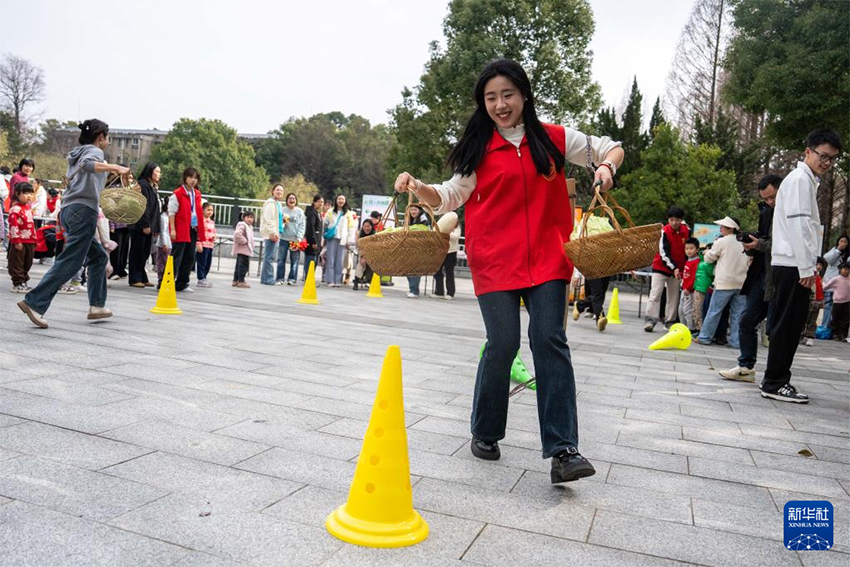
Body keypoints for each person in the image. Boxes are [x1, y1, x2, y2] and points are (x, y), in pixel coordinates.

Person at [393, 58, 624, 483]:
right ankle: (485, 429)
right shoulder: (478, 149)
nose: (500, 105)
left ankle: (563, 450)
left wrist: (606, 167)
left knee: (548, 339)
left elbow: (610, 146)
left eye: (508, 95)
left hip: (550, 261)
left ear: (524, 95)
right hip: (496, 261)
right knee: (503, 343)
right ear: (483, 104)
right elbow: (448, 195)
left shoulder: (553, 139)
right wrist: (417, 187)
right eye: (491, 98)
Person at [18, 119, 129, 328]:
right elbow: (87, 166)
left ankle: (97, 305)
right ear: (101, 137)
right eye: (108, 136)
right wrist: (115, 167)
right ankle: (34, 303)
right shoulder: (95, 153)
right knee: (71, 260)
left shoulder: (77, 152)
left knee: (97, 256)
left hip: (69, 210)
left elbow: (87, 176)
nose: (108, 140)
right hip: (83, 211)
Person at [762, 128, 842, 404]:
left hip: (794, 264)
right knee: (787, 324)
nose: (827, 163)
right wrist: (806, 267)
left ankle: (778, 379)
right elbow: (798, 227)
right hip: (792, 265)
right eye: (823, 156)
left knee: (791, 323)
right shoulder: (799, 181)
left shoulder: (806, 180)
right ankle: (774, 382)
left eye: (832, 159)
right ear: (808, 151)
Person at [719, 175, 780, 382]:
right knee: (746, 320)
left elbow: (785, 247)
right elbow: (765, 241)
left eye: (773, 197)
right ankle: (746, 366)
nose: (770, 202)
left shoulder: (788, 213)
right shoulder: (767, 212)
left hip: (778, 276)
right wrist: (752, 247)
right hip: (761, 273)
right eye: (766, 199)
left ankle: (776, 375)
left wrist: (759, 245)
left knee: (774, 328)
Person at [696, 217, 750, 348]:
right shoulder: (744, 241)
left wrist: (707, 252)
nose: (720, 228)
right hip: (742, 282)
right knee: (738, 315)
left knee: (714, 311)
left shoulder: (722, 241)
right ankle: (736, 341)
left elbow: (709, 259)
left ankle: (704, 337)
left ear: (730, 228)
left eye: (723, 226)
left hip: (724, 282)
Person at [644, 207, 690, 332]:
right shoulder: (664, 232)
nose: (674, 223)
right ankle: (650, 320)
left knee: (673, 296)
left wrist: (683, 268)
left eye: (677, 220)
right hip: (661, 267)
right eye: (672, 220)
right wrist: (674, 267)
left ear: (681, 220)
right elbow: (664, 253)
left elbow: (689, 249)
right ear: (668, 220)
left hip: (678, 270)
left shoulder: (686, 231)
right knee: (655, 293)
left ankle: (669, 321)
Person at [168, 167, 206, 293]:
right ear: (185, 178)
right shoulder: (178, 193)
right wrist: (172, 229)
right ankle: (167, 281)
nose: (193, 180)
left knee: (190, 256)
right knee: (177, 255)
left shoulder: (197, 194)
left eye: (195, 178)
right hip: (180, 228)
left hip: (192, 228)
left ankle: (182, 282)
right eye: (190, 177)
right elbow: (172, 213)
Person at [128, 162, 161, 288]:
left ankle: (142, 276)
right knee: (137, 251)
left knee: (145, 252)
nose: (159, 174)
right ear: (150, 172)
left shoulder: (151, 186)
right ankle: (134, 278)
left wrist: (155, 227)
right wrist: (145, 225)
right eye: (157, 171)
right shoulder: (143, 185)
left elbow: (155, 209)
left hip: (148, 226)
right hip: (139, 226)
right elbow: (143, 207)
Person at [7, 182, 36, 293]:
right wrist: (16, 241)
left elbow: (32, 225)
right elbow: (14, 226)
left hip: (30, 241)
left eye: (31, 193)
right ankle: (17, 283)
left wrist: (34, 239)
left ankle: (23, 281)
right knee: (17, 262)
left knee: (27, 262)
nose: (29, 196)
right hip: (20, 241)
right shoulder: (15, 209)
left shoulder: (28, 208)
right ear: (18, 194)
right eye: (26, 193)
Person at [322, 194, 355, 287]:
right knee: (330, 259)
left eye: (342, 199)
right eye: (339, 199)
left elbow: (351, 228)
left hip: (342, 239)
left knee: (339, 260)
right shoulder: (330, 211)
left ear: (345, 201)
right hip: (332, 237)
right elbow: (325, 223)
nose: (341, 201)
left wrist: (349, 240)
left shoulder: (348, 213)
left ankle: (337, 280)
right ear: (336, 200)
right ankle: (330, 280)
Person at [821, 234, 849, 328]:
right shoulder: (834, 251)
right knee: (828, 306)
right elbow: (828, 259)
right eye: (841, 241)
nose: (843, 244)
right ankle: (825, 327)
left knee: (841, 308)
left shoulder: (848, 254)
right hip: (831, 281)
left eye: (845, 242)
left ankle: (836, 329)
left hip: (843, 285)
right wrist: (837, 250)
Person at [260, 184, 285, 285]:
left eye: (281, 191)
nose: (279, 192)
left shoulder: (278, 204)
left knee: (269, 256)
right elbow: (269, 219)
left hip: (276, 232)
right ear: (272, 191)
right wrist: (272, 232)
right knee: (269, 257)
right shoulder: (270, 203)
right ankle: (268, 279)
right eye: (277, 190)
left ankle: (265, 278)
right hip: (271, 233)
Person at [434, 212, 461, 300]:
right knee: (437, 271)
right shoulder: (440, 224)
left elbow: (456, 237)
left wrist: (446, 233)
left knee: (449, 272)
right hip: (441, 251)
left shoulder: (457, 227)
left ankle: (450, 292)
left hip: (451, 251)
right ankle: (439, 291)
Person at [405, 203, 430, 298]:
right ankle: (413, 289)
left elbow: (426, 231)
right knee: (408, 269)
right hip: (411, 247)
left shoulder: (423, 219)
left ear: (419, 210)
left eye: (415, 210)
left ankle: (414, 290)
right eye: (411, 210)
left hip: (420, 247)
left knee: (415, 269)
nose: (413, 212)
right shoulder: (411, 220)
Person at [280, 192, 305, 285]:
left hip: (295, 239)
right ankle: (280, 278)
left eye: (293, 198)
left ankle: (292, 279)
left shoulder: (299, 211)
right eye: (290, 198)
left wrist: (299, 237)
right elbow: (279, 224)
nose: (291, 200)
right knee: (281, 259)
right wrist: (282, 223)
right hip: (283, 238)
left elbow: (302, 225)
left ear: (296, 200)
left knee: (294, 260)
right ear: (287, 200)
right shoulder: (282, 210)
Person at [800, 258, 826, 347]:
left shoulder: (819, 278)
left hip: (817, 302)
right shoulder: (809, 277)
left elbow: (820, 290)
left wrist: (822, 301)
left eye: (820, 265)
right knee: (804, 318)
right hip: (810, 300)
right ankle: (802, 335)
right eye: (817, 264)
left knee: (813, 320)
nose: (819, 267)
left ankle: (809, 336)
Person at [679, 237, 701, 332]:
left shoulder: (697, 262)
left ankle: (690, 329)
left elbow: (694, 277)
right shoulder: (688, 260)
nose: (688, 251)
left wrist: (688, 288)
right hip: (684, 290)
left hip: (689, 291)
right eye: (686, 248)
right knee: (681, 310)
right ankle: (682, 327)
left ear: (697, 249)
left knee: (688, 311)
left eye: (691, 248)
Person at [824, 262, 850, 342]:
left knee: (846, 320)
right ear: (840, 269)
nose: (847, 271)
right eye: (845, 269)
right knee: (835, 319)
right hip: (837, 302)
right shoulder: (836, 279)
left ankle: (843, 335)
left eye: (848, 270)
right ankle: (834, 334)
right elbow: (825, 287)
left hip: (848, 302)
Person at [232, 210, 254, 288]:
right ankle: (241, 281)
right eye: (248, 217)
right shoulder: (242, 225)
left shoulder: (249, 227)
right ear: (244, 218)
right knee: (243, 266)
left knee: (239, 265)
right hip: (243, 249)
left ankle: (236, 280)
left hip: (245, 250)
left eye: (251, 217)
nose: (250, 219)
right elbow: (237, 234)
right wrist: (245, 241)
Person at [303, 194, 324, 280]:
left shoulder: (318, 213)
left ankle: (310, 278)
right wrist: (314, 242)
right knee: (310, 260)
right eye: (319, 201)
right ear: (314, 202)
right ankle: (308, 278)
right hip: (312, 242)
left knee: (314, 261)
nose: (321, 203)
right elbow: (311, 227)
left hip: (317, 241)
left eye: (322, 202)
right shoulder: (312, 213)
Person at [196, 202, 216, 287]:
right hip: (203, 245)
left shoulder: (211, 222)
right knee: (201, 262)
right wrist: (198, 243)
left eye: (211, 210)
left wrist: (214, 237)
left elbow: (214, 231)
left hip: (210, 245)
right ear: (203, 210)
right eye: (208, 210)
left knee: (208, 262)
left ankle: (204, 277)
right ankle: (200, 278)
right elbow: (198, 233)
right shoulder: (200, 221)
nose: (210, 212)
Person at [353, 218, 375, 290]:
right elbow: (357, 246)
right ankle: (356, 281)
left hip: (372, 254)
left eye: (368, 226)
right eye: (365, 226)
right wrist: (363, 255)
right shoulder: (359, 233)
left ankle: (369, 280)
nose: (366, 228)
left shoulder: (375, 235)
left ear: (371, 226)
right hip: (362, 253)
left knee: (371, 263)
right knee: (361, 263)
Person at [154, 197, 171, 287]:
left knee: (168, 263)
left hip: (171, 243)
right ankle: (161, 280)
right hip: (164, 244)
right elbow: (163, 232)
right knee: (162, 262)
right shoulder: (163, 217)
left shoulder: (172, 217)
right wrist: (164, 243)